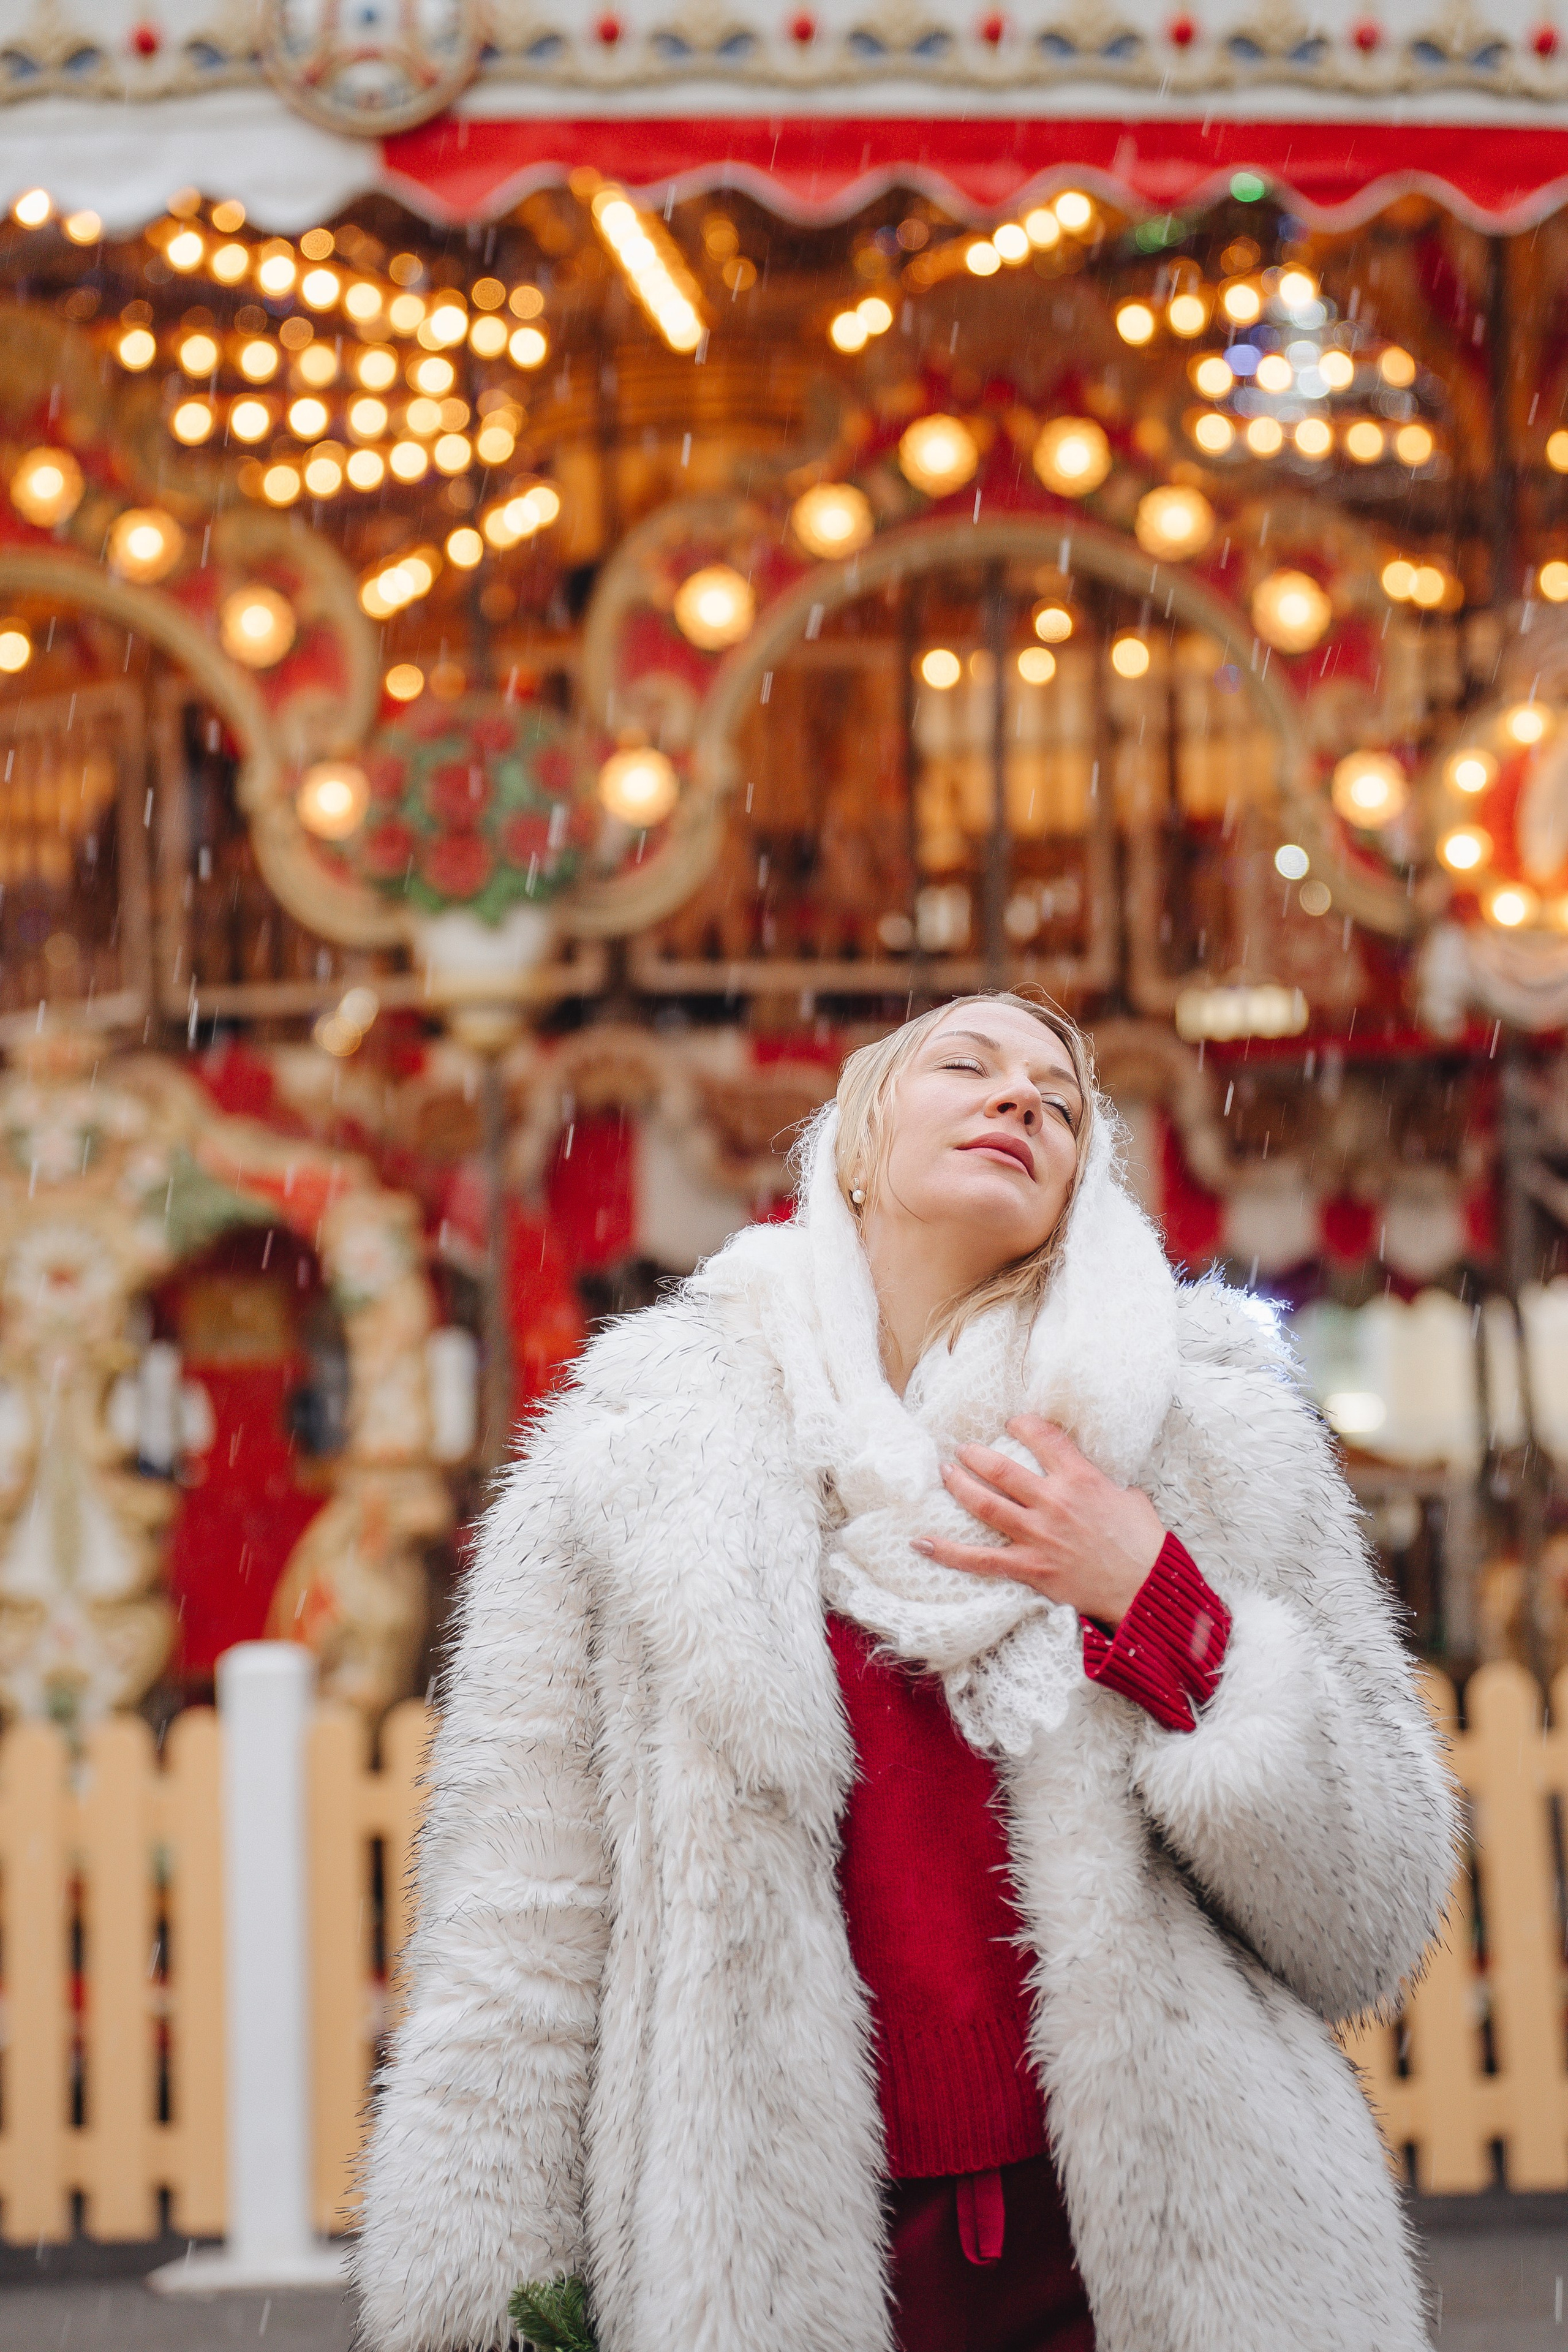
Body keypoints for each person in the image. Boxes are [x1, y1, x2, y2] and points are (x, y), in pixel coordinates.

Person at [356, 990, 1455, 2352]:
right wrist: (483, 2297)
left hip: (1172, 2245)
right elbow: (521, 1916)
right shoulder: (636, 1455)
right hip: (775, 2241)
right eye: (968, 1066)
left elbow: (1365, 1911)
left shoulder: (1206, 1439)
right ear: (854, 1146)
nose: (1021, 1102)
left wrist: (1157, 1598)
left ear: (1081, 1185)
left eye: (1060, 1100)